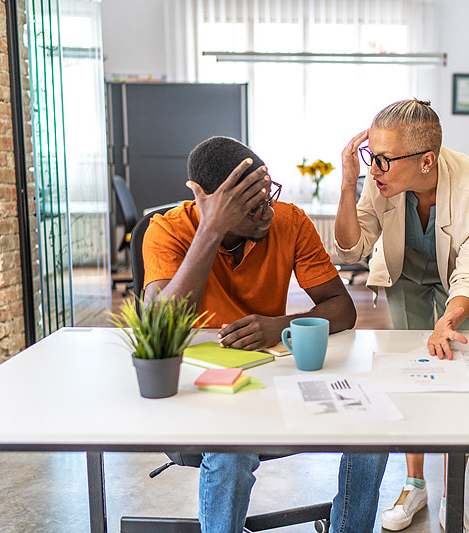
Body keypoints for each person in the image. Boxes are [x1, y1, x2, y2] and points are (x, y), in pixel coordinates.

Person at [141, 135, 388, 533]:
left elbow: (342, 308)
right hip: (203, 392)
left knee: (373, 429)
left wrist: (280, 325)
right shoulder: (168, 230)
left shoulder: (289, 221)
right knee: (231, 451)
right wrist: (211, 229)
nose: (266, 212)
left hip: (274, 381)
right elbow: (158, 322)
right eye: (248, 205)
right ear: (208, 201)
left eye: (267, 194)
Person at [334, 99, 469, 532]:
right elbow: (350, 249)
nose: (376, 169)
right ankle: (414, 485)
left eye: (384, 160)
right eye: (373, 157)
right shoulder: (377, 180)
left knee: (458, 377)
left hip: (461, 281)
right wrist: (348, 185)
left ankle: (453, 494)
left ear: (427, 160)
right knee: (410, 375)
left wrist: (449, 319)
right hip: (405, 272)